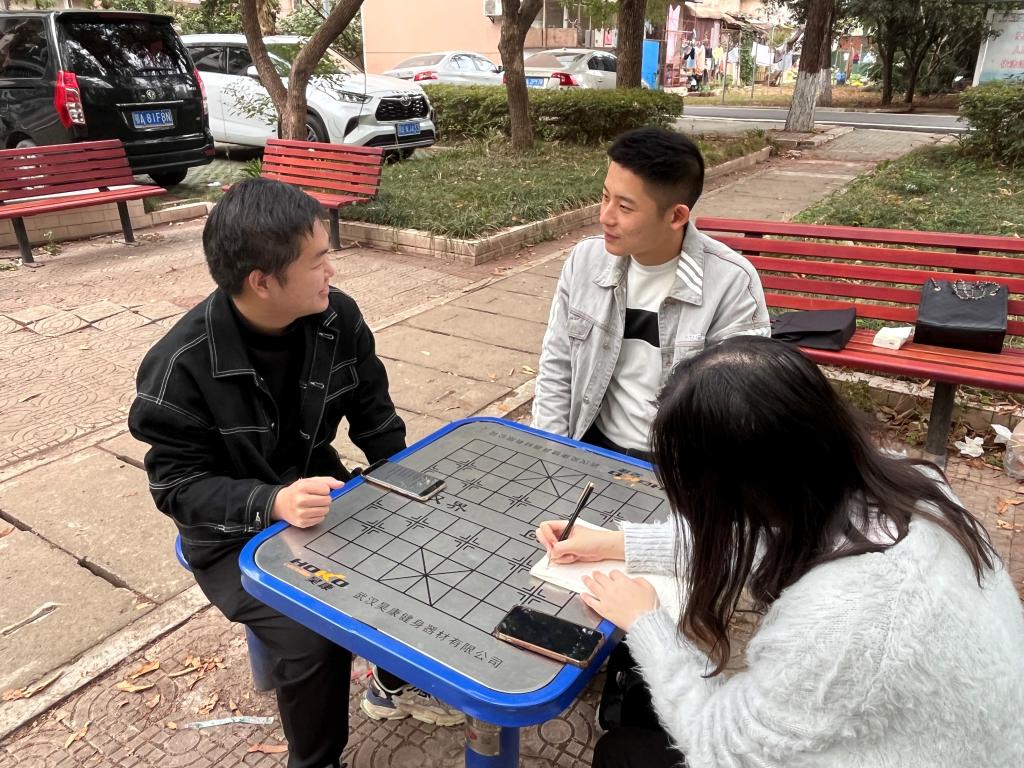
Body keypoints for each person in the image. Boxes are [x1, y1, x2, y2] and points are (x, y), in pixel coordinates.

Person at [537, 336, 1024, 768]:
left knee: (622, 752)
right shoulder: (902, 485)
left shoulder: (841, 619)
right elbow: (770, 536)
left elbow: (718, 747)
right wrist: (617, 543)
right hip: (978, 740)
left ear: (739, 492)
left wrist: (648, 625)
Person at [129, 179, 461, 768]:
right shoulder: (180, 366)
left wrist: (406, 485)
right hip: (232, 534)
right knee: (312, 638)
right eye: (318, 260)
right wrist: (271, 502)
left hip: (323, 494)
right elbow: (176, 488)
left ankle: (392, 684)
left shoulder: (336, 318)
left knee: (423, 558)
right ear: (263, 281)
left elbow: (375, 416)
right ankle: (316, 761)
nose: (332, 270)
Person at [532, 126, 770, 464]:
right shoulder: (585, 261)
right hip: (590, 446)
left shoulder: (731, 284)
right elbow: (557, 366)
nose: (605, 216)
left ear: (676, 216)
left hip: (678, 465)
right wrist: (552, 454)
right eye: (605, 197)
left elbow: (738, 412)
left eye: (625, 207)